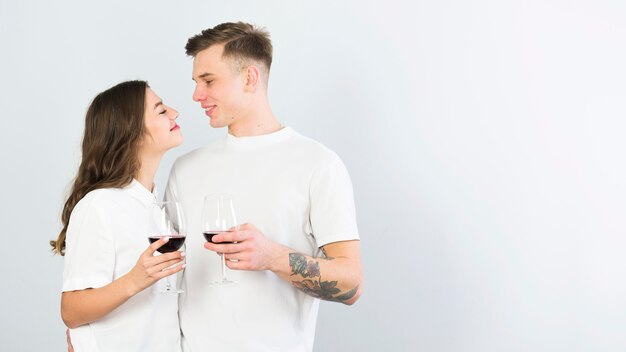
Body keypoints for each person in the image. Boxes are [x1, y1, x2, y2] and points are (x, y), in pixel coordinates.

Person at [165, 22, 363, 351]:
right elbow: (167, 281)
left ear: (250, 78)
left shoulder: (317, 164)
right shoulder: (185, 169)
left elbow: (351, 284)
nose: (196, 95)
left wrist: (271, 256)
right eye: (196, 82)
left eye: (208, 80)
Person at [51, 80, 186, 352]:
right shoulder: (99, 206)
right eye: (161, 111)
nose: (174, 113)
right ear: (133, 133)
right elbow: (71, 311)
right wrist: (134, 280)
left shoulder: (156, 208)